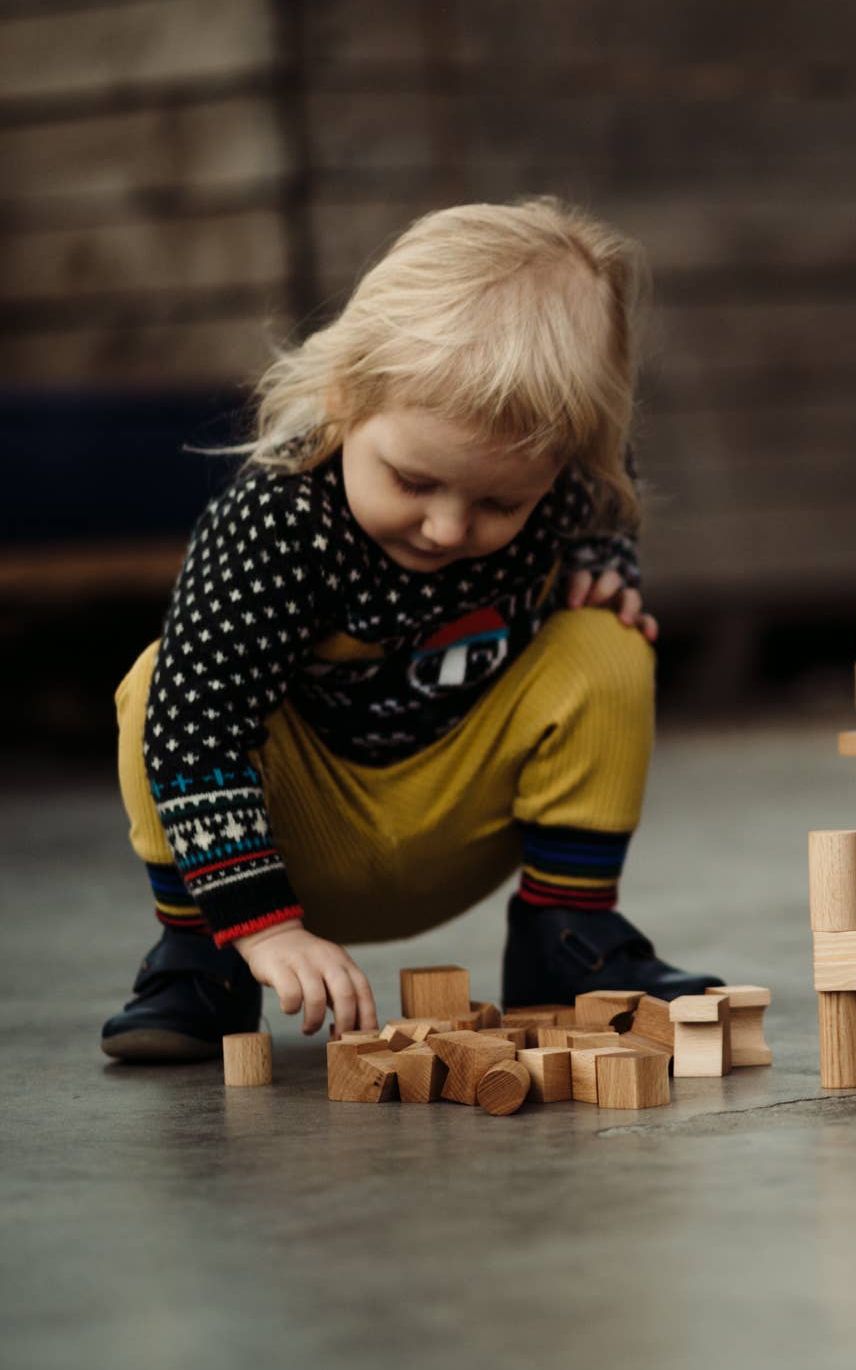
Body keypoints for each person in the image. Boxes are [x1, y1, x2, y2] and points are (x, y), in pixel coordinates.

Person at [102, 198, 719, 1061]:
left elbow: (613, 486)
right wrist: (265, 927)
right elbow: (196, 730)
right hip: (281, 845)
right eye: (413, 480)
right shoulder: (281, 521)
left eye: (500, 502)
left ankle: (565, 935)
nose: (447, 528)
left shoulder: (566, 484)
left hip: (453, 825)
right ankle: (202, 962)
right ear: (345, 396)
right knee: (162, 687)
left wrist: (608, 564)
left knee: (607, 643)